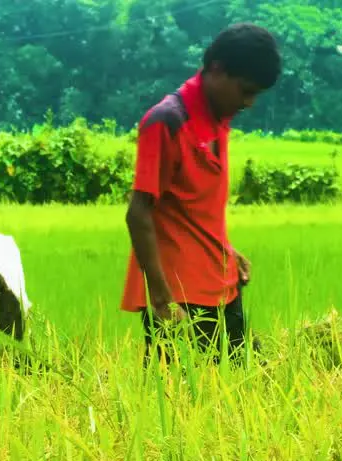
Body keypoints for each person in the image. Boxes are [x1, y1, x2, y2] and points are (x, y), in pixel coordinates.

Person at [120, 23, 281, 362]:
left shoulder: (218, 117)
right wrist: (162, 301)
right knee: (181, 400)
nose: (248, 103)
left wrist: (227, 250)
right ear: (217, 69)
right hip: (179, 296)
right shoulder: (167, 121)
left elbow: (193, 205)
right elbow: (139, 213)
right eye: (245, 90)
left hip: (222, 282)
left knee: (244, 390)